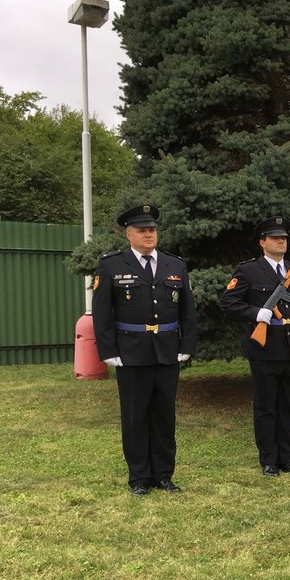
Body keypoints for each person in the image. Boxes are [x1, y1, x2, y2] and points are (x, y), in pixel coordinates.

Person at [91, 204, 197, 495]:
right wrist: (108, 350)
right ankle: (139, 477)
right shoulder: (112, 265)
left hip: (167, 351)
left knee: (164, 415)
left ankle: (163, 474)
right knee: (135, 415)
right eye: (142, 230)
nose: (149, 234)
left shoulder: (174, 265)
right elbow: (101, 312)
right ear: (129, 234)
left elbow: (188, 309)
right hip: (131, 352)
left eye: (152, 229)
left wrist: (186, 344)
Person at [219, 216, 290, 476]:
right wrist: (255, 314)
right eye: (275, 238)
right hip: (265, 349)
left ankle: (287, 458)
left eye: (284, 238)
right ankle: (269, 460)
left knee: (288, 406)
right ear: (262, 243)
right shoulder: (249, 271)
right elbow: (228, 301)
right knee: (265, 407)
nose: (281, 242)